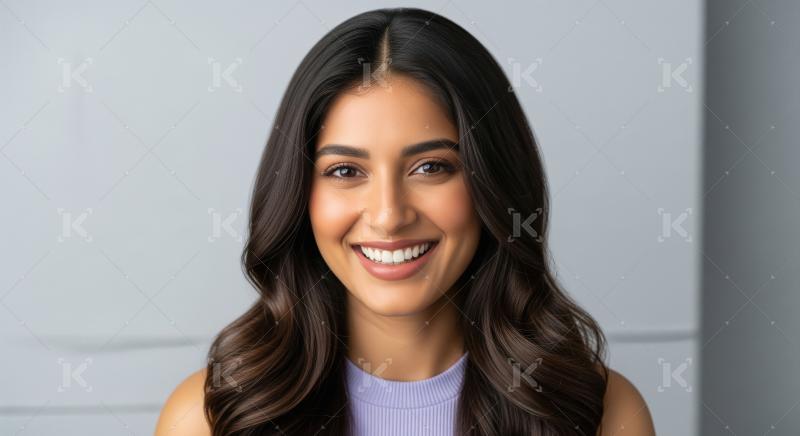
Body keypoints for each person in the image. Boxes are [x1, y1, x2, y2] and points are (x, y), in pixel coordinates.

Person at [156, 7, 655, 435]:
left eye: (431, 167)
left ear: (493, 182)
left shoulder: (602, 414)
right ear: (298, 195)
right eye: (346, 171)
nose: (389, 216)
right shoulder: (208, 419)